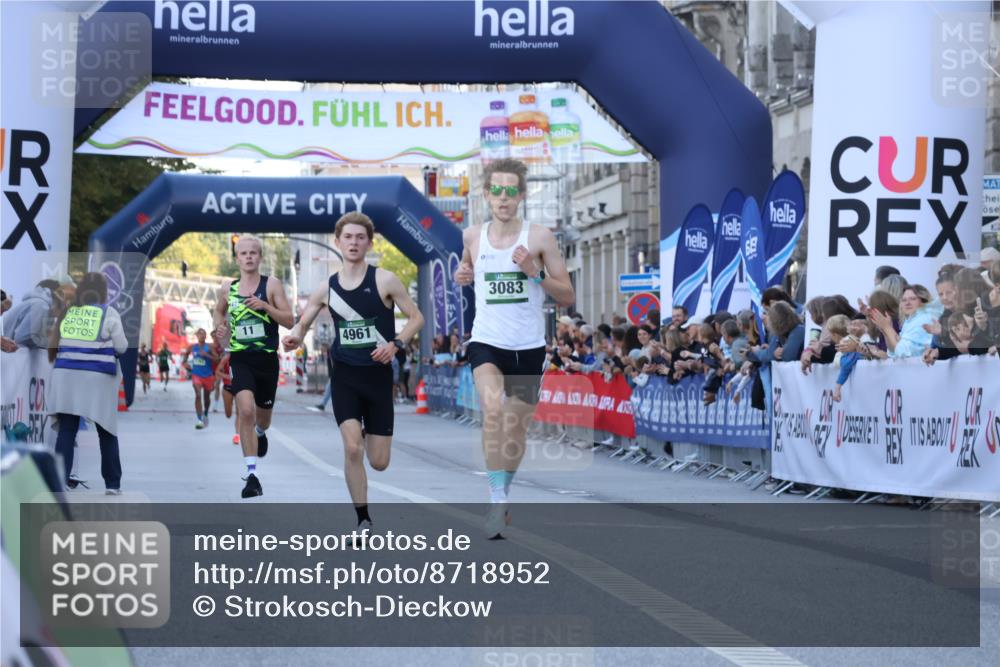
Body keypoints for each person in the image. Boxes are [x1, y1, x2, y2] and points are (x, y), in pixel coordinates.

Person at [453, 158, 575, 539]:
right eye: (497, 191)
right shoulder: (472, 235)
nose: (503, 198)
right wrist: (462, 274)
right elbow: (467, 267)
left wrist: (534, 274)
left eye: (511, 191)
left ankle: (503, 490)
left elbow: (567, 295)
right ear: (486, 194)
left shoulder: (539, 238)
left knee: (516, 428)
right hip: (486, 339)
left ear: (521, 195)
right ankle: (495, 500)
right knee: (492, 412)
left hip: (528, 346)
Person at [284, 212, 424, 532]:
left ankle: (365, 436)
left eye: (360, 237)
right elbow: (303, 323)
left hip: (377, 379)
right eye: (348, 237)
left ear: (369, 243)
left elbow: (416, 317)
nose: (354, 242)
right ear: (338, 242)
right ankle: (363, 519)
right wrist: (295, 337)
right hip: (345, 376)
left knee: (379, 462)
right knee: (351, 448)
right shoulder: (326, 288)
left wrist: (396, 344)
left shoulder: (385, 280)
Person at [213, 235, 294, 498]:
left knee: (263, 419)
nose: (248, 257)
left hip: (267, 360)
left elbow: (290, 320)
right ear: (236, 258)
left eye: (252, 253)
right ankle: (252, 475)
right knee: (245, 410)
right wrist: (219, 326)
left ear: (259, 257)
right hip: (241, 358)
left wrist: (265, 306)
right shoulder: (228, 288)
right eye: (243, 253)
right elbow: (218, 311)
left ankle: (261, 432)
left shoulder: (271, 285)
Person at [45, 272, 128, 494]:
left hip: (66, 376)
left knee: (67, 430)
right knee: (106, 430)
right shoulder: (108, 313)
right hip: (97, 378)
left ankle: (60, 481)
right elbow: (121, 347)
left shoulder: (68, 312)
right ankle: (112, 484)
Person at [870, 284, 941, 359]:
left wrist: (888, 328)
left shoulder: (926, 318)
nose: (907, 303)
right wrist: (885, 332)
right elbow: (893, 352)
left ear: (923, 300)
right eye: (904, 300)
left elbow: (903, 351)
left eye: (913, 299)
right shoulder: (910, 320)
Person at [182, 328, 219, 429]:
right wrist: (185, 364)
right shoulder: (192, 347)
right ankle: (199, 419)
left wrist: (207, 355)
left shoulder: (209, 347)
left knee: (206, 398)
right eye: (200, 334)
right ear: (197, 336)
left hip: (207, 375)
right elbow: (184, 358)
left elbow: (217, 359)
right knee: (198, 395)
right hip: (196, 375)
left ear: (205, 336)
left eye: (204, 334)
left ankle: (205, 413)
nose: (202, 336)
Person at [215, 351, 241, 445]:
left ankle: (237, 435)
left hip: (240, 387)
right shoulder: (227, 357)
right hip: (228, 388)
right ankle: (230, 406)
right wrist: (227, 376)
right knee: (228, 414)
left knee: (239, 413)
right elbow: (217, 371)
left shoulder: (245, 357)